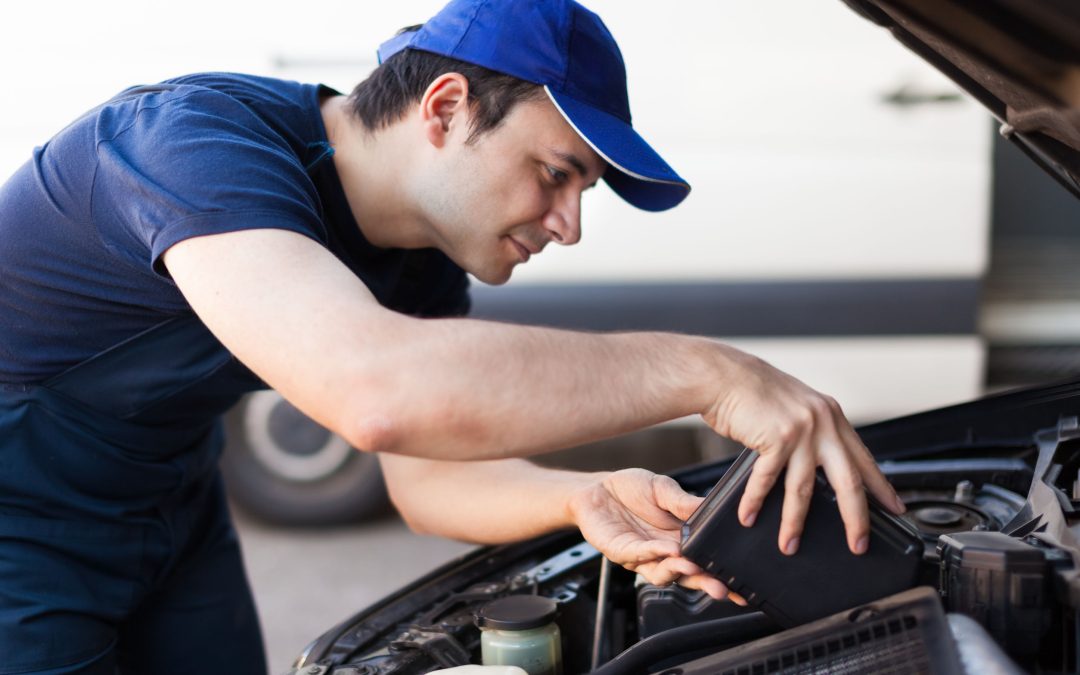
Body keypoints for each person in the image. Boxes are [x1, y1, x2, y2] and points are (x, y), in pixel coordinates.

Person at [0, 0, 905, 672]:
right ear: (444, 108)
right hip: (18, 533)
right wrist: (708, 371)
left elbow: (426, 478)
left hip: (172, 509)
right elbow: (376, 392)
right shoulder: (189, 147)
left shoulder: (417, 261)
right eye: (557, 174)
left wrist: (584, 496)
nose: (568, 224)